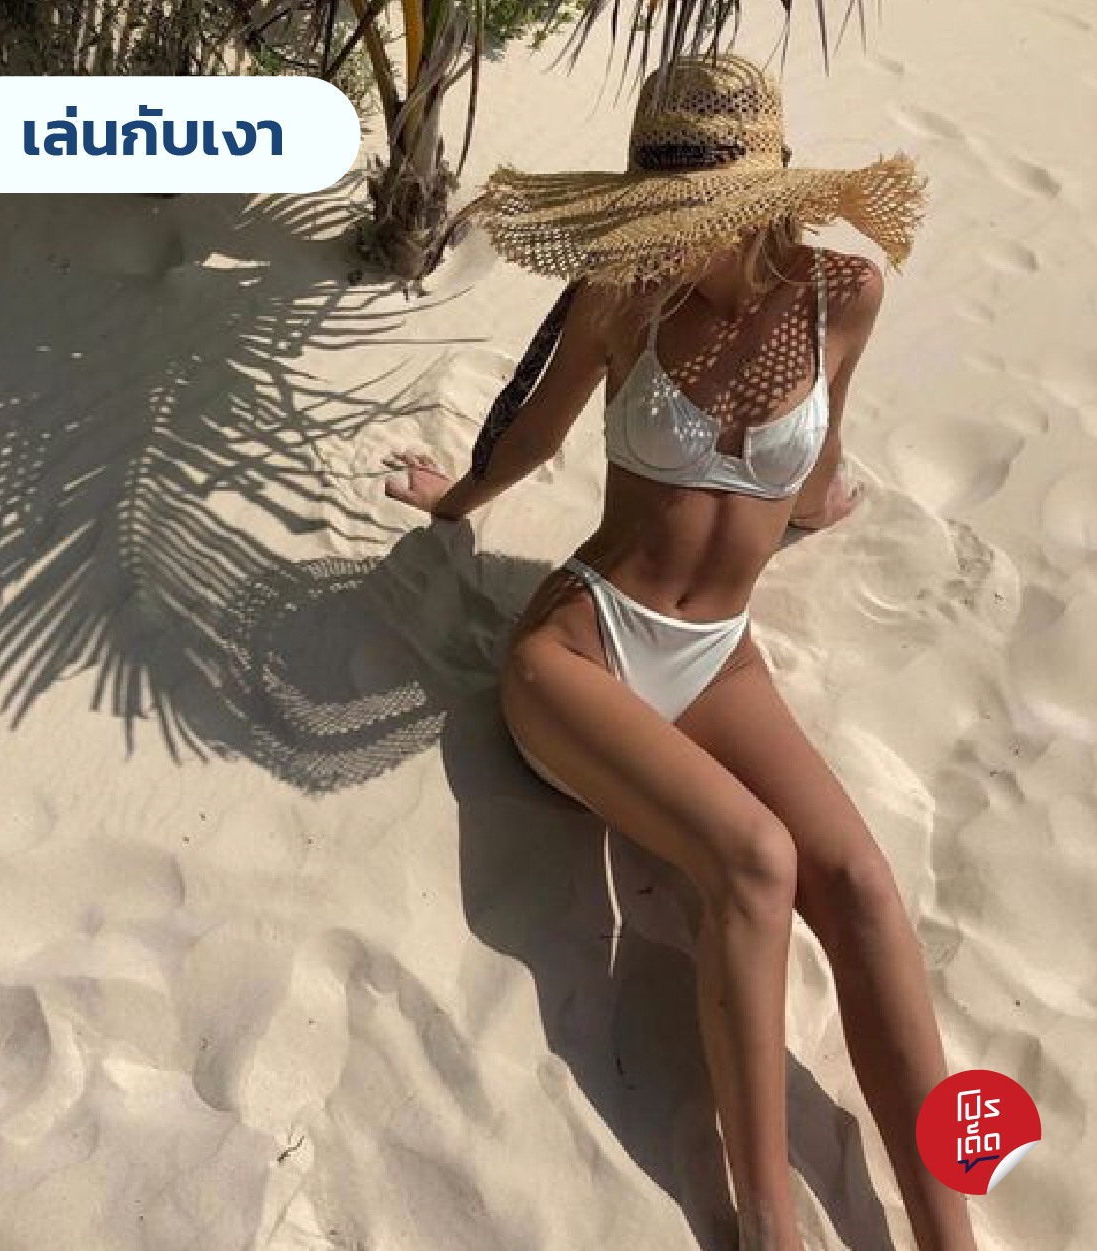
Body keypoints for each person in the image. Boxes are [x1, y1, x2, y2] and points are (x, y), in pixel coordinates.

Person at [382, 53, 978, 1251]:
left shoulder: (843, 294)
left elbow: (816, 447)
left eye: (695, 206)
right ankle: (769, 1226)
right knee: (754, 862)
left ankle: (948, 1232)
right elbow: (534, 434)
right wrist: (457, 503)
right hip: (581, 653)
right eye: (658, 204)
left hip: (719, 659)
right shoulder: (622, 289)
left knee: (863, 889)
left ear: (766, 197)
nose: (672, 227)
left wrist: (817, 504)